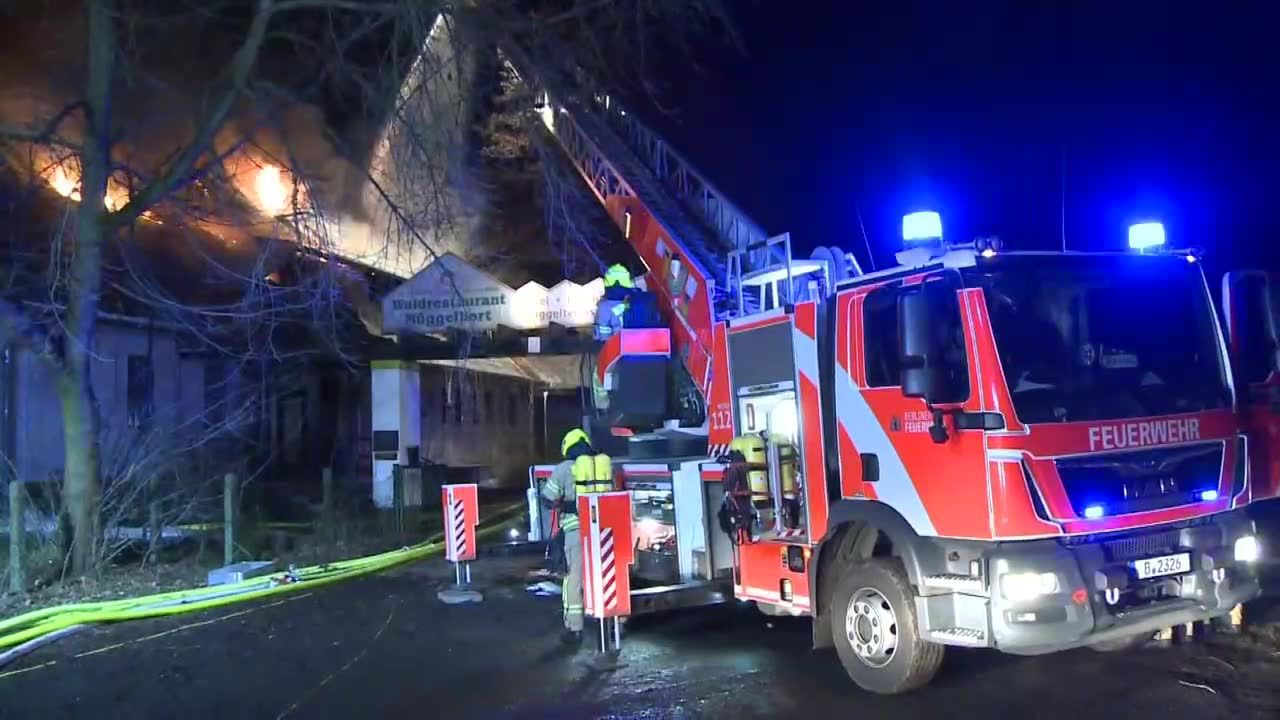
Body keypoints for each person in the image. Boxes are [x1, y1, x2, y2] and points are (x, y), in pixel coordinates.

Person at [540, 428, 613, 644]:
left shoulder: (563, 469)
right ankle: (615, 625)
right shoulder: (602, 466)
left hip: (576, 532)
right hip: (604, 531)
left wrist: (562, 502)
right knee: (607, 576)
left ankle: (575, 628)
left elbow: (546, 500)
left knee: (573, 580)